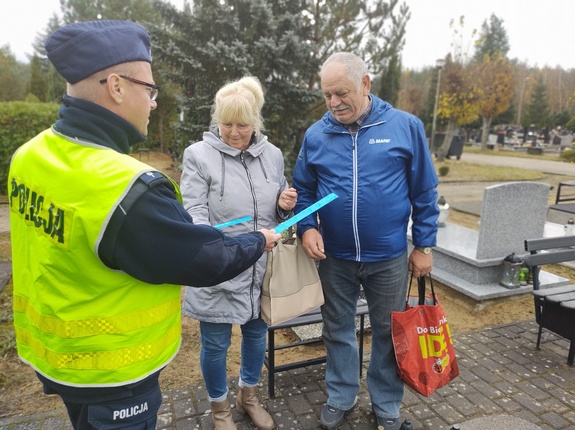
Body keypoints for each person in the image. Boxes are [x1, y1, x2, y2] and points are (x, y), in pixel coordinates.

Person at [8, 20, 281, 430]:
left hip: (57, 359)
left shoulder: (28, 156)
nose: (154, 103)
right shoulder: (128, 189)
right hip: (115, 373)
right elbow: (203, 260)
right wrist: (259, 241)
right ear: (117, 87)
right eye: (149, 90)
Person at [291, 52, 439, 430]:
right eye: (327, 95)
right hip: (334, 257)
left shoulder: (405, 126)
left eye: (341, 92)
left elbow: (424, 190)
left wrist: (423, 246)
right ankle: (341, 397)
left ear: (366, 84)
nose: (334, 102)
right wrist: (307, 226)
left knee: (389, 333)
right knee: (337, 329)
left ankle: (386, 405)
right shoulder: (316, 135)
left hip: (388, 257)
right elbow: (304, 190)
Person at [180, 76, 297, 430]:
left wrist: (282, 204)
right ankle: (219, 410)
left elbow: (275, 213)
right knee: (215, 344)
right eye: (226, 124)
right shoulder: (198, 156)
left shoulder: (273, 156)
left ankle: (249, 398)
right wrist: (214, 240)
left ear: (256, 123)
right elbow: (194, 211)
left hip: (260, 266)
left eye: (243, 125)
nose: (234, 132)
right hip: (219, 265)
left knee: (256, 335)